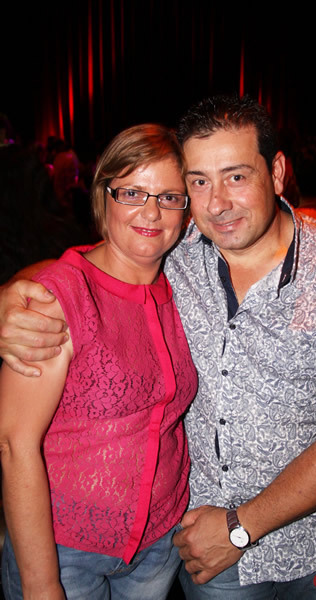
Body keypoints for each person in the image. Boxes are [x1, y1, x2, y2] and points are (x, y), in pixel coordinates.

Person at [0, 95, 316, 599]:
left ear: (276, 172)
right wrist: (12, 296)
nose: (217, 203)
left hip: (315, 544)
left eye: (236, 176)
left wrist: (239, 528)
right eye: (199, 182)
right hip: (208, 555)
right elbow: (94, 266)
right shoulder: (178, 245)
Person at [0, 124, 197, 599]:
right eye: (132, 192)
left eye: (170, 197)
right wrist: (42, 585)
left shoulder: (185, 286)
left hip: (159, 544)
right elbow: (13, 443)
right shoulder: (58, 298)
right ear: (102, 194)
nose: (151, 212)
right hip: (63, 551)